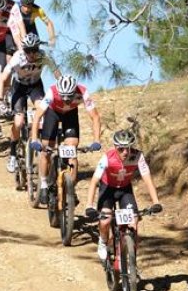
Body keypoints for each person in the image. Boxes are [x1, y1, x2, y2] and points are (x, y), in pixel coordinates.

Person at [84, 129, 162, 260]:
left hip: (125, 190)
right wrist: (89, 205)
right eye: (121, 149)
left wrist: (156, 202)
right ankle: (103, 242)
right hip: (107, 189)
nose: (125, 152)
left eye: (128, 148)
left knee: (133, 222)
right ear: (115, 147)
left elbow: (147, 178)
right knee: (105, 221)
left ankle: (131, 260)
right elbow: (94, 181)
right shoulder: (107, 158)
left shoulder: (137, 156)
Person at [29, 75, 102, 204]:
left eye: (69, 96)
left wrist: (97, 140)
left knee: (72, 150)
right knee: (46, 149)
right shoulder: (52, 92)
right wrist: (35, 139)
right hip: (53, 113)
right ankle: (44, 184)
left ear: (74, 91)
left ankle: (70, 189)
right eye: (63, 96)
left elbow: (95, 117)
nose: (66, 99)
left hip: (70, 115)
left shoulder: (83, 92)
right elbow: (37, 116)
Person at [0, 33, 50, 173]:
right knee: (19, 122)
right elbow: (2, 78)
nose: (32, 54)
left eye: (35, 50)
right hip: (19, 87)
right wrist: (0, 100)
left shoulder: (43, 56)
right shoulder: (17, 58)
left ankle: (39, 142)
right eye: (28, 50)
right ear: (23, 50)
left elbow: (58, 74)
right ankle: (13, 154)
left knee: (41, 110)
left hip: (35, 87)